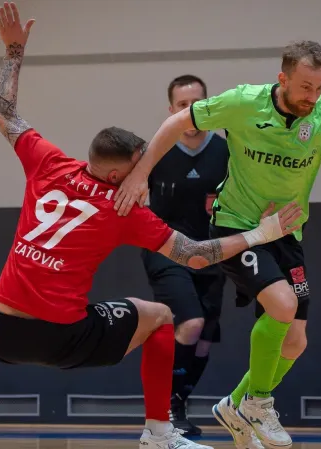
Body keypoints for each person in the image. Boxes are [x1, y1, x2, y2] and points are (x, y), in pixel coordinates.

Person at [0, 3, 303, 449]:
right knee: (161, 317)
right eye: (138, 169)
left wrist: (14, 50)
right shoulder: (122, 207)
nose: (141, 176)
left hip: (2, 327)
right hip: (64, 338)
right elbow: (193, 253)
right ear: (117, 176)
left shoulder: (47, 163)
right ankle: (160, 434)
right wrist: (260, 235)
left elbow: (3, 112)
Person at [113, 40, 321, 449]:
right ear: (283, 79)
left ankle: (234, 404)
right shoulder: (243, 102)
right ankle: (257, 402)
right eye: (306, 86)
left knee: (296, 339)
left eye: (320, 86)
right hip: (236, 227)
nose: (313, 95)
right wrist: (140, 174)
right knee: (283, 304)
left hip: (287, 232)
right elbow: (175, 124)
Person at [140, 75, 230, 435]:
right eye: (182, 105)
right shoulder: (156, 150)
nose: (189, 111)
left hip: (212, 251)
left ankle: (178, 404)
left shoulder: (226, 151)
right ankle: (167, 408)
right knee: (189, 324)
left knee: (205, 335)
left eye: (196, 104)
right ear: (171, 110)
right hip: (167, 249)